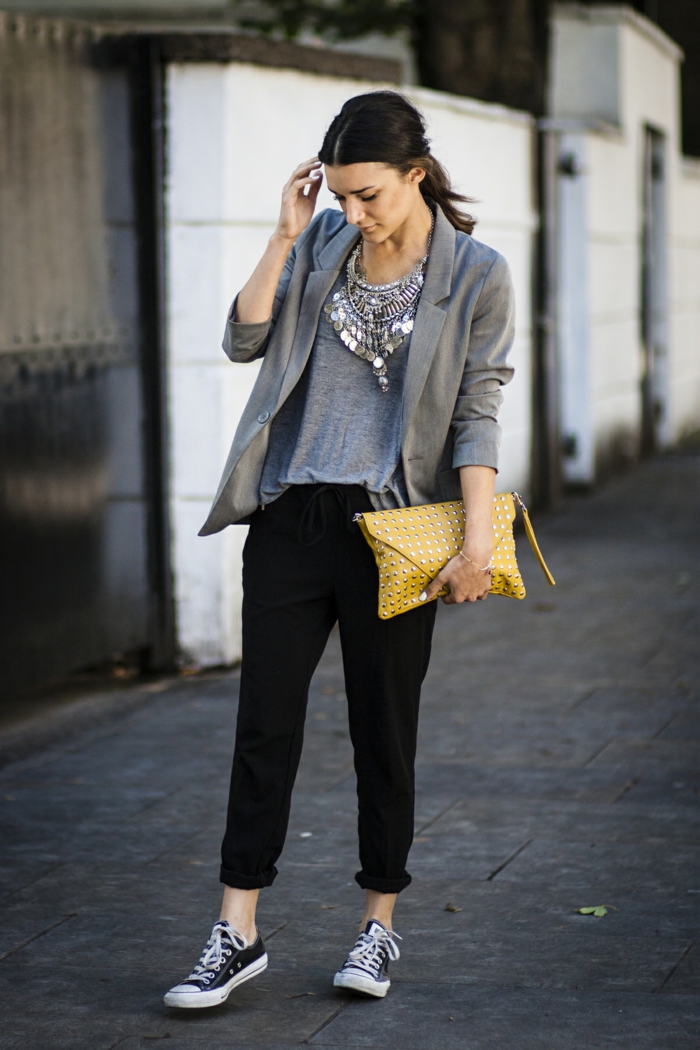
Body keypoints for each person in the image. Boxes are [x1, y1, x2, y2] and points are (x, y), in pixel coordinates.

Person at [164, 91, 514, 1009]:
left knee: (383, 732)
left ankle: (377, 928)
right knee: (263, 727)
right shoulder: (321, 244)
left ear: (416, 176)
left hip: (392, 532)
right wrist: (287, 234)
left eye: (369, 196)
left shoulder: (476, 273)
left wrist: (478, 542)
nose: (354, 213)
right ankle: (236, 930)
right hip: (292, 519)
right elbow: (244, 338)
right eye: (341, 195)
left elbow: (477, 412)